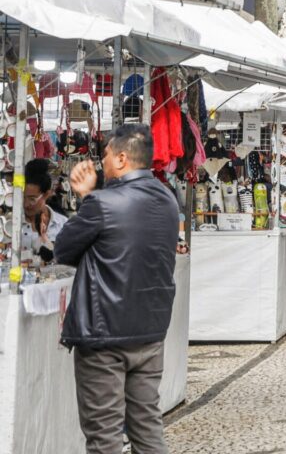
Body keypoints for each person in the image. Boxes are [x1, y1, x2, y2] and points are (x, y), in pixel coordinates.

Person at [56, 125, 179, 454]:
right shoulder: (168, 200)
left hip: (104, 334)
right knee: (147, 428)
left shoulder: (102, 203)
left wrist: (85, 197)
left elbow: (63, 250)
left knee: (104, 436)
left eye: (106, 155)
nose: (102, 162)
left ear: (122, 158)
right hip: (150, 332)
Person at [22, 158, 67, 264]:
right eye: (22, 198)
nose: (26, 204)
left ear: (46, 194)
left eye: (32, 199)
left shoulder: (62, 225)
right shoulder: (10, 226)